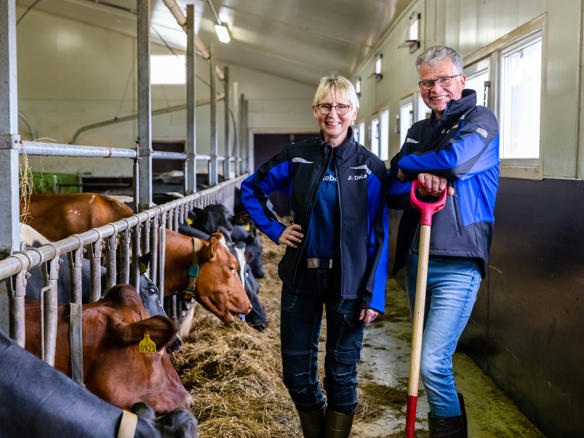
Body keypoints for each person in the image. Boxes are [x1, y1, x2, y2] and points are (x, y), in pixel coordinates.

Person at [241, 75, 389, 438]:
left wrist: (374, 295)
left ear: (354, 111)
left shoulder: (370, 167)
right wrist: (275, 229)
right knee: (296, 374)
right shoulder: (297, 156)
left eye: (341, 106)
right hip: (302, 278)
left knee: (341, 374)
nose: (333, 114)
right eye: (326, 106)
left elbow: (379, 236)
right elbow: (251, 189)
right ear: (315, 110)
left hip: (349, 283)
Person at [388, 45, 500, 437]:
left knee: (433, 362)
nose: (436, 89)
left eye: (444, 79)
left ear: (462, 80)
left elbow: (456, 161)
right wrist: (416, 180)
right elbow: (391, 188)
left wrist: (409, 166)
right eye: (427, 82)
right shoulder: (418, 131)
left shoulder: (481, 119)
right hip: (418, 256)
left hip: (459, 260)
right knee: (422, 356)